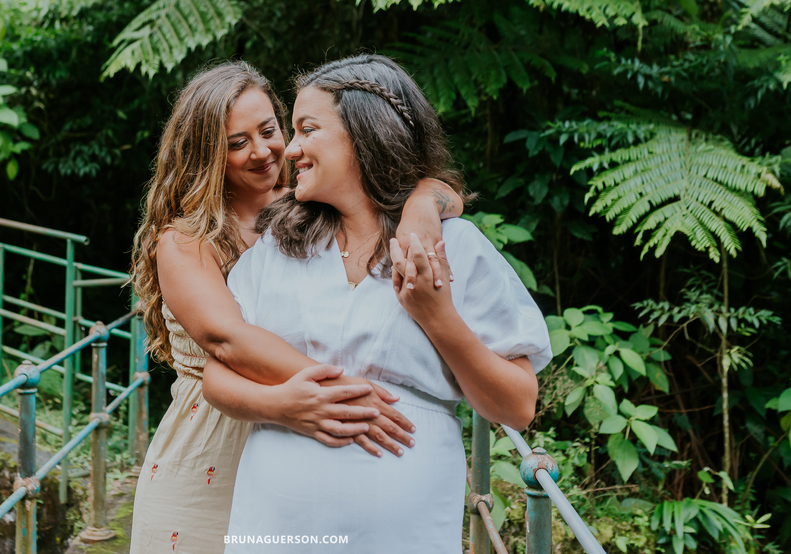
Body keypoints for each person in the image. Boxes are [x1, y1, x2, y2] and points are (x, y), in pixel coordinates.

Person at [202, 55, 553, 553]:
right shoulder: (278, 246)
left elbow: (517, 407)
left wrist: (438, 318)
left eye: (307, 130)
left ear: (364, 133)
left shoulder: (455, 246)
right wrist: (284, 407)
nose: (290, 149)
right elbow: (216, 379)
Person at [128, 61, 466, 554]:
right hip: (212, 448)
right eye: (237, 142)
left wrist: (422, 204)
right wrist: (346, 394)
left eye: (268, 131)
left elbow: (432, 190)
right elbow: (227, 338)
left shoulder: (309, 206)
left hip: (309, 445)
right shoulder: (185, 241)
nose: (262, 150)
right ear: (206, 153)